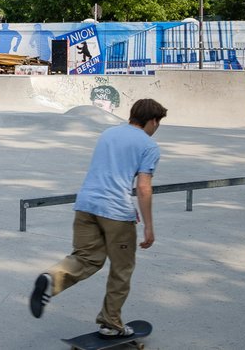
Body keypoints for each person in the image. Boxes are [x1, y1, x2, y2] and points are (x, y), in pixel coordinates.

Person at [30, 98, 167, 338]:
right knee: (121, 269)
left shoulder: (108, 133)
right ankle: (110, 323)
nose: (156, 129)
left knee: (86, 258)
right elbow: (144, 188)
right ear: (152, 121)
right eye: (158, 123)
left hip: (85, 205)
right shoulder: (149, 146)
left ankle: (51, 279)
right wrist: (149, 226)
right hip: (117, 212)